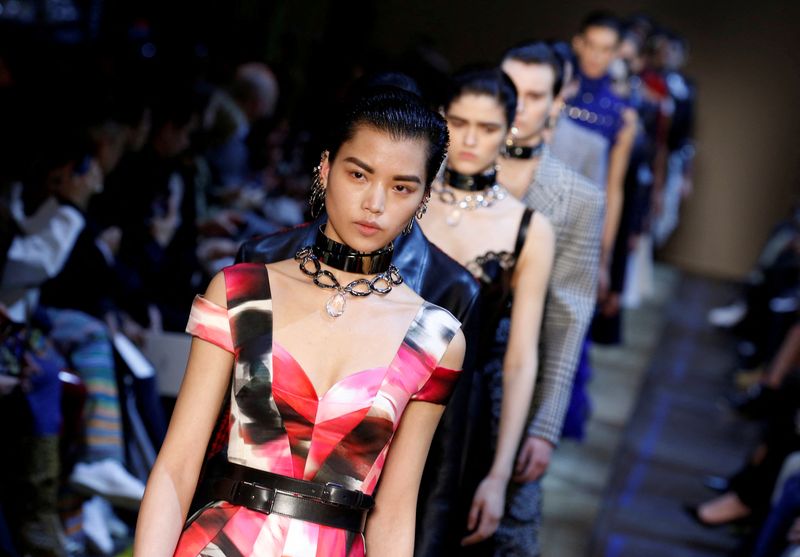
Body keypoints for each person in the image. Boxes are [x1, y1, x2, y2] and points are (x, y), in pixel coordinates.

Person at [134, 87, 466, 556]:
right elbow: (177, 466)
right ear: (326, 168)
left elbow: (394, 511)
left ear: (424, 197)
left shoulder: (436, 339)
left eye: (401, 187)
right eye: (358, 174)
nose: (375, 202)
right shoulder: (238, 291)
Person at [417, 67, 554, 552]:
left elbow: (519, 361)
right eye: (459, 122)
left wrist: (499, 475)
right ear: (440, 118)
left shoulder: (528, 229)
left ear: (510, 128)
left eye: (489, 127)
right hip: (374, 392)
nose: (471, 139)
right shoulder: (407, 195)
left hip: (458, 419)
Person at [497, 41, 604, 555]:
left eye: (535, 95)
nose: (518, 106)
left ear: (557, 102)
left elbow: (568, 316)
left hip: (514, 379)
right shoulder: (443, 166)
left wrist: (545, 425)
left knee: (506, 529)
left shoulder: (579, 197)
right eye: (510, 91)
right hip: (430, 370)